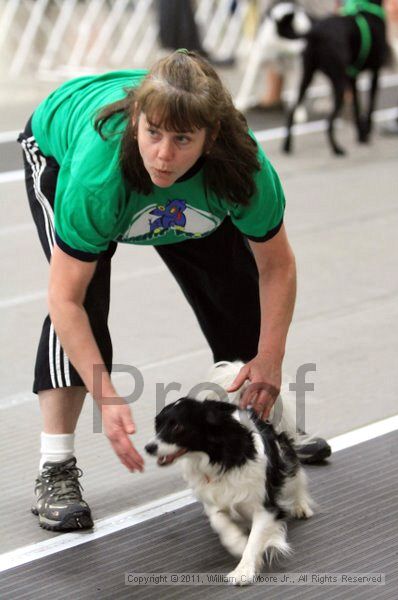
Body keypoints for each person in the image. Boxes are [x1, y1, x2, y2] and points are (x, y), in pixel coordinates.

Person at [18, 50, 331, 532]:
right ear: (138, 122)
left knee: (237, 293)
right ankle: (55, 468)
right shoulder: (98, 176)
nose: (163, 154)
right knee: (86, 308)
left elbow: (276, 266)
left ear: (211, 139)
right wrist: (107, 395)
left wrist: (270, 360)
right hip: (59, 149)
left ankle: (267, 428)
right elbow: (66, 300)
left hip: (188, 194)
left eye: (182, 139)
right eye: (154, 133)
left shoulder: (241, 170)